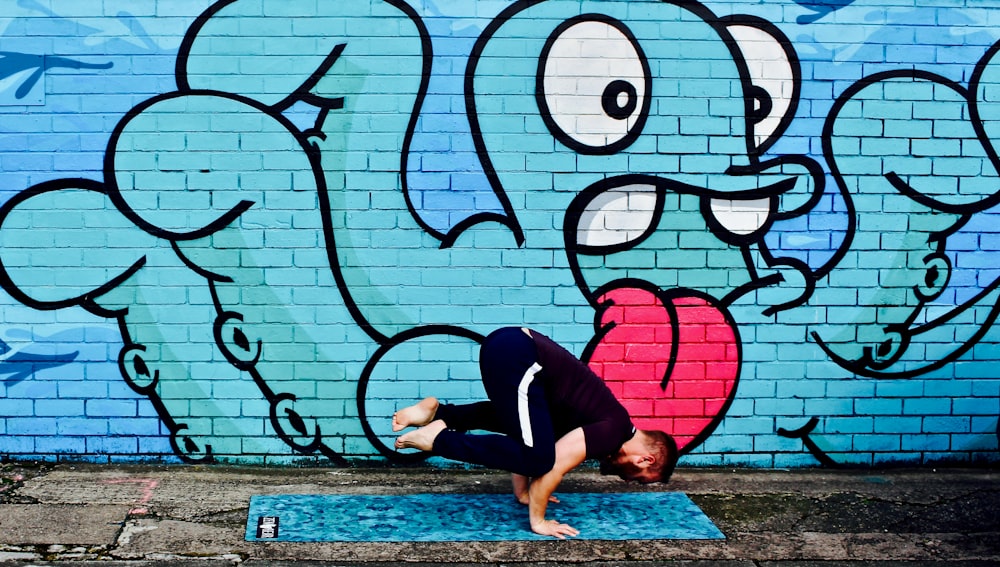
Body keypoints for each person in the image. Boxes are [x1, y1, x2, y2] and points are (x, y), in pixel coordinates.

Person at [393, 326, 678, 539]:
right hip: (520, 354)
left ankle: (436, 413)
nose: (628, 479)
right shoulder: (613, 432)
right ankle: (438, 439)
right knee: (539, 458)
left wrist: (524, 494)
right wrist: (539, 521)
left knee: (529, 436)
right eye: (639, 479)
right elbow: (551, 468)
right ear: (645, 460)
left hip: (511, 348)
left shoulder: (606, 422)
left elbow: (527, 439)